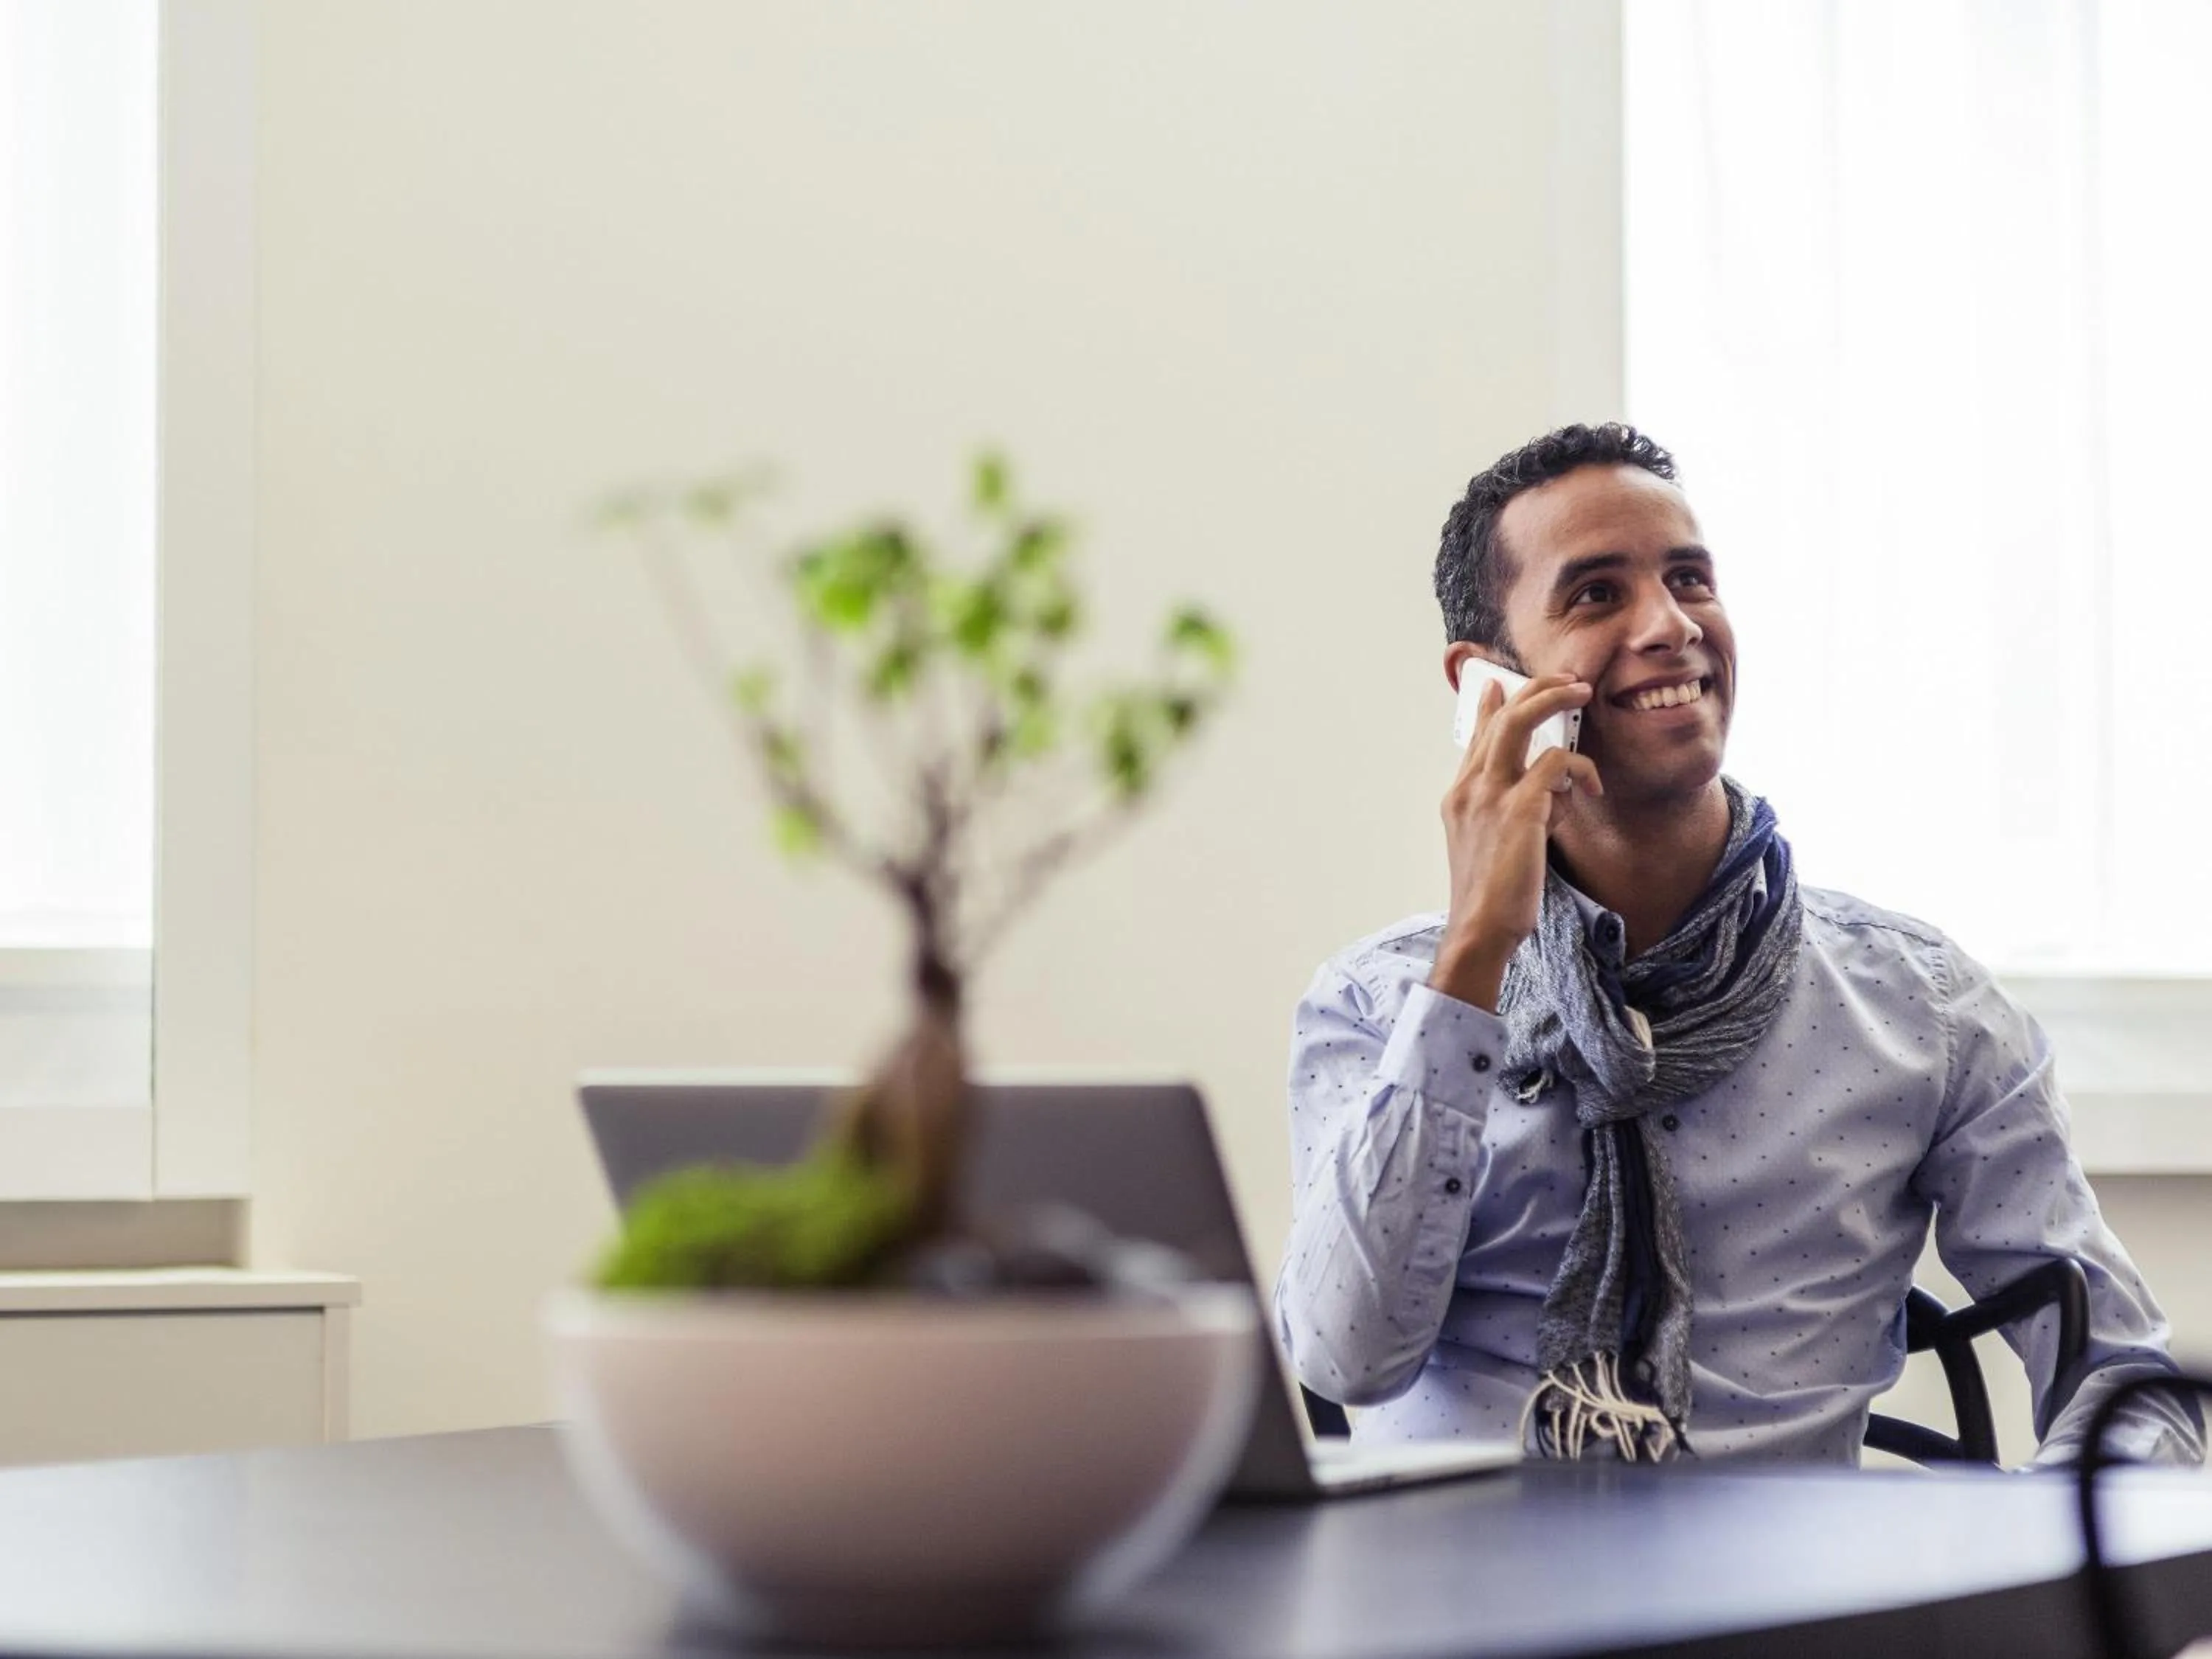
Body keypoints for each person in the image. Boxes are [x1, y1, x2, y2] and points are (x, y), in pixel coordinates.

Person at [1274, 422, 2200, 1464]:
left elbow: (2130, 1381)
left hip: (1796, 1616)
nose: (1669, 624)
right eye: (1596, 594)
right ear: (1487, 683)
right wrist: (1478, 952)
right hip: (1457, 1604)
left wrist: (2042, 1586)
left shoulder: (1921, 1007)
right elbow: (1344, 1356)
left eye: (1690, 579)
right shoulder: (1376, 1003)